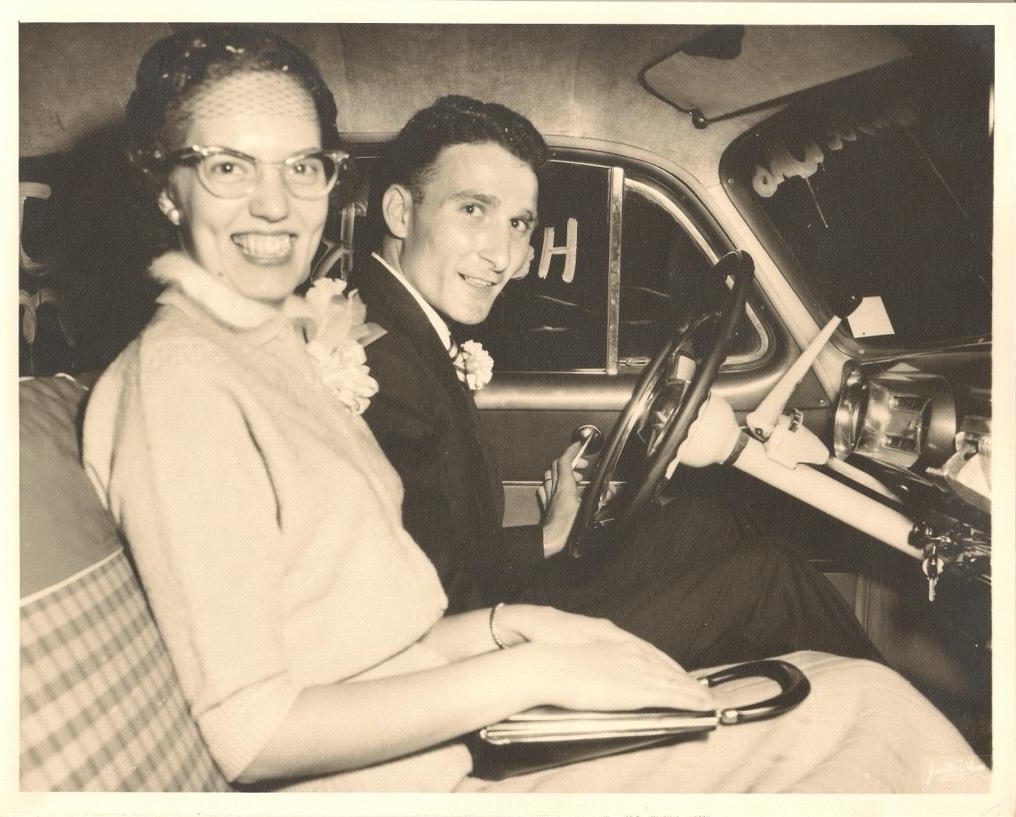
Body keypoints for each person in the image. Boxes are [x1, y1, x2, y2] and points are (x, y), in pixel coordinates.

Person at [81, 24, 981, 794]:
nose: (275, 204)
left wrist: (515, 623)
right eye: (230, 166)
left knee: (856, 702)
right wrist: (533, 668)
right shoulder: (182, 381)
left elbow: (379, 611)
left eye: (302, 166)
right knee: (866, 713)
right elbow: (249, 732)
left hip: (449, 713)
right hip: (439, 773)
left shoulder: (272, 352)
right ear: (166, 187)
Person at [351, 95, 882, 671]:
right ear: (401, 213)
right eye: (473, 210)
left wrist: (550, 533)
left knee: (702, 522)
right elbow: (428, 598)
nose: (503, 255)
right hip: (473, 658)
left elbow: (436, 544)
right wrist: (548, 539)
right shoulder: (380, 370)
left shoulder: (399, 331)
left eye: (518, 223)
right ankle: (909, 735)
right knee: (766, 578)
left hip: (483, 608)